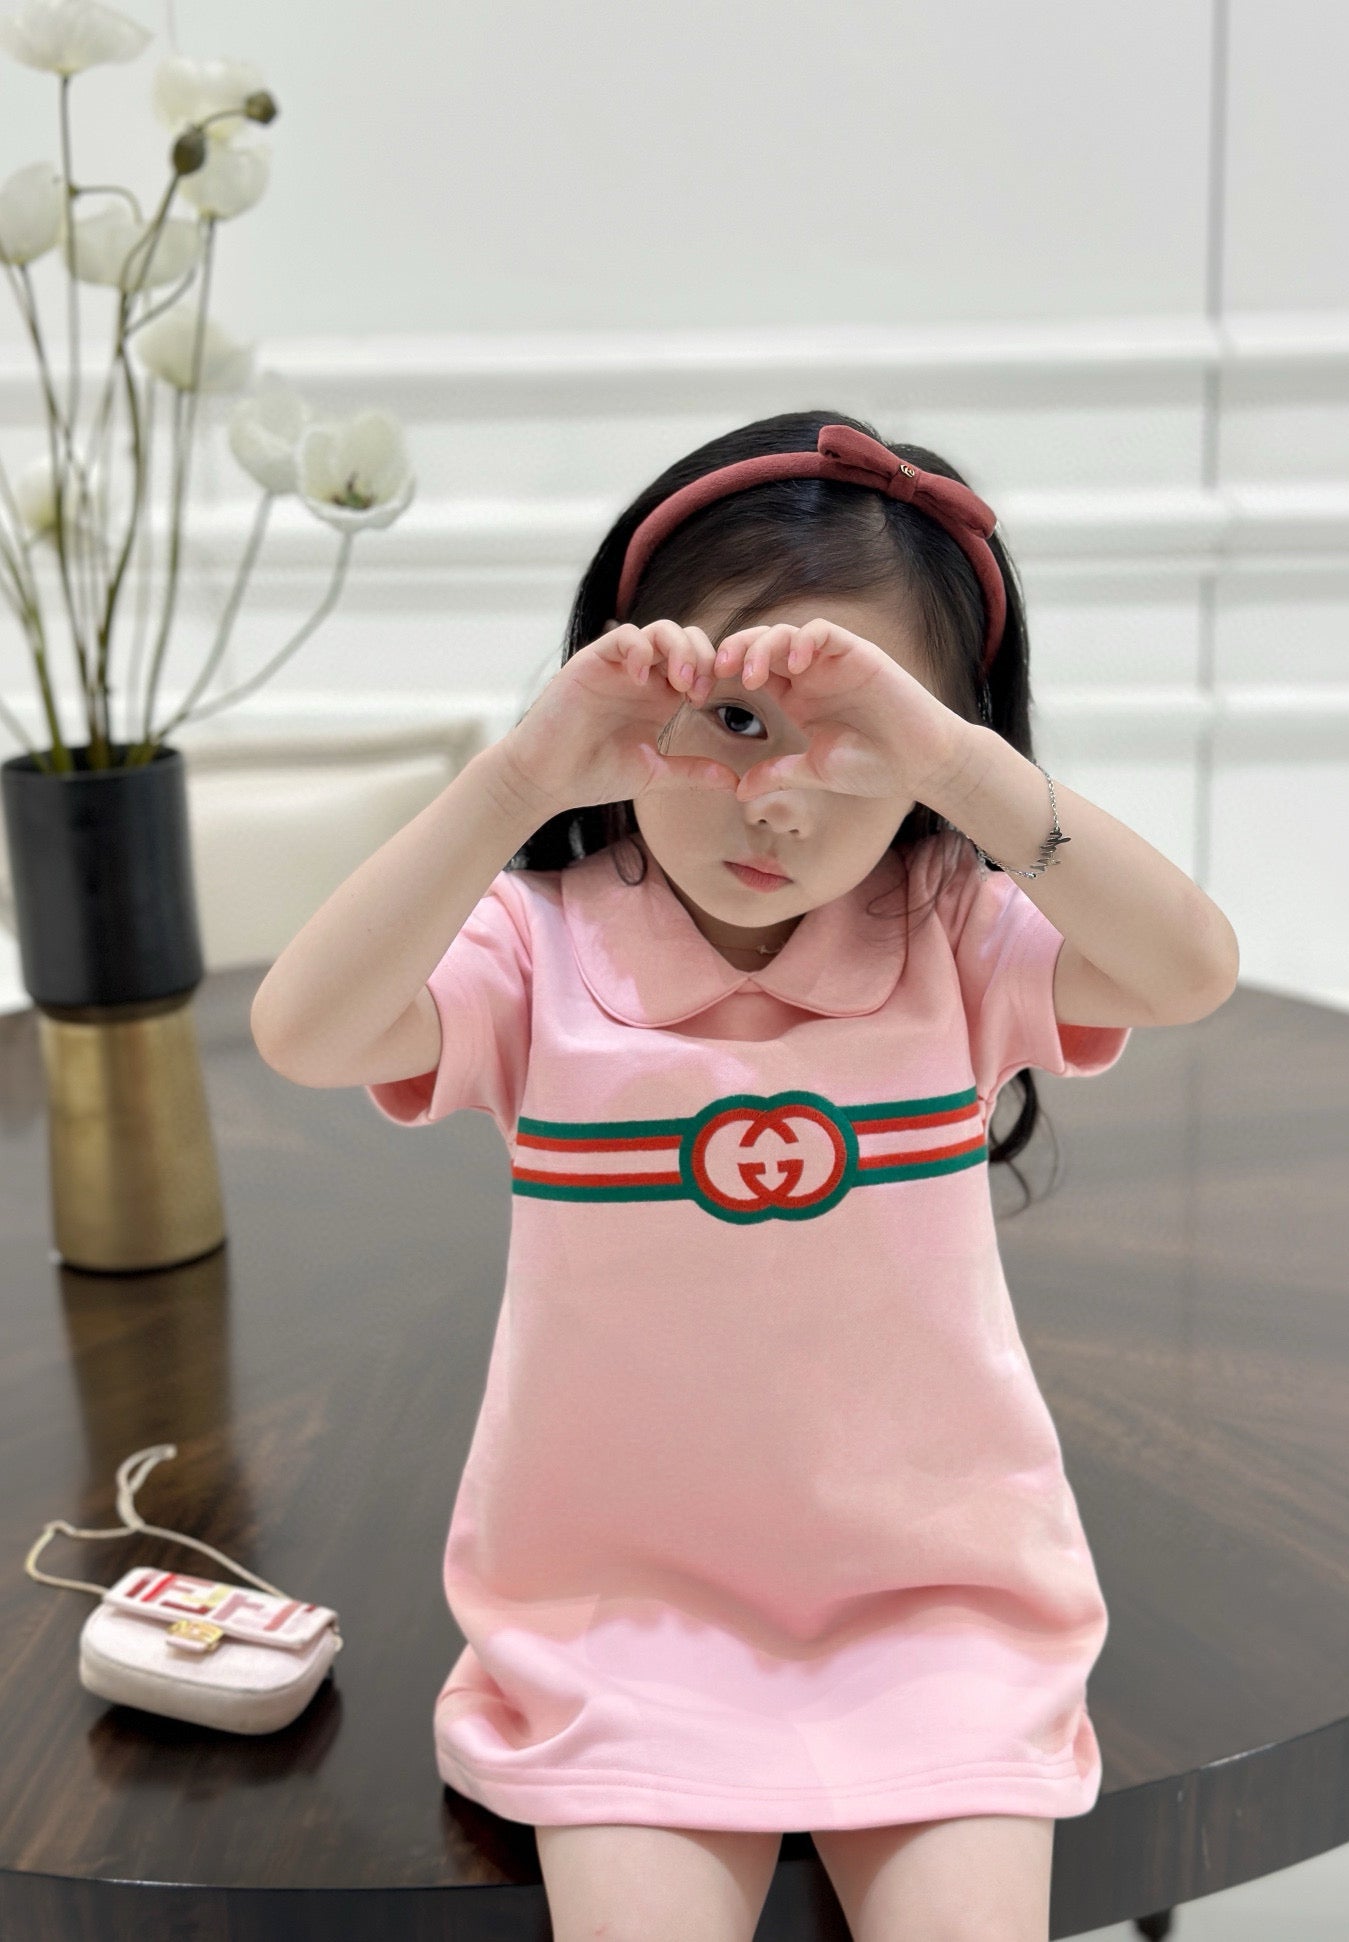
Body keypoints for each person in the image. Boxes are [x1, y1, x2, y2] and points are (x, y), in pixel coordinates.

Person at [250, 409, 1240, 1942]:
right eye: (734, 723)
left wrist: (950, 759)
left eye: (857, 743)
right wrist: (522, 776)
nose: (776, 799)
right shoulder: (544, 946)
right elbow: (304, 1029)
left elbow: (1188, 968)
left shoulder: (947, 927)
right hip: (620, 1626)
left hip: (938, 1618)